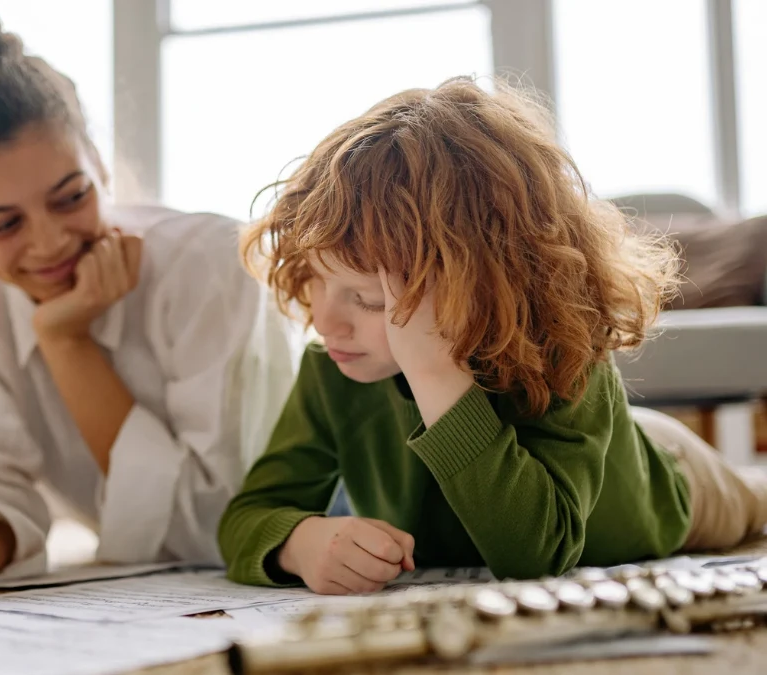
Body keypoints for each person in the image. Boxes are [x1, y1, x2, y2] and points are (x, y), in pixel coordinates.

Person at [219, 76, 767, 595]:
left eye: (369, 300)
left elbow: (536, 555)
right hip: (604, 444)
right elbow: (248, 517)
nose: (324, 322)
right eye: (316, 280)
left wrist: (434, 372)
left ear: (478, 286)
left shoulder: (569, 356)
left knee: (756, 503)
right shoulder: (331, 368)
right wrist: (297, 543)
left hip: (672, 481)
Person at [0, 1, 296, 604]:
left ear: (101, 166)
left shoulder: (211, 266)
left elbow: (218, 527)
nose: (50, 242)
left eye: (70, 197)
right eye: (2, 224)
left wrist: (66, 342)